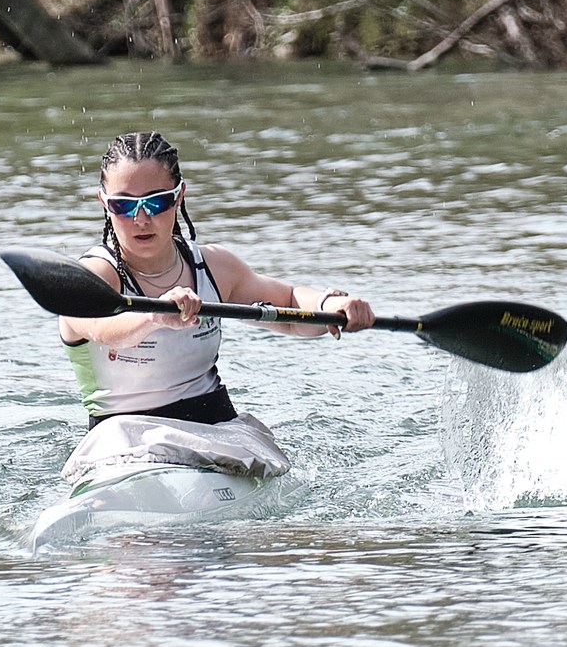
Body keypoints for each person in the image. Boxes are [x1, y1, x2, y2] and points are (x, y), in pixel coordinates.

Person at [53, 131, 375, 478]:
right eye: (124, 204)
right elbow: (105, 330)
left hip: (217, 429)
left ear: (179, 197)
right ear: (104, 202)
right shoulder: (91, 278)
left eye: (156, 202)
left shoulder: (214, 267)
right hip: (122, 441)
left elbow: (290, 306)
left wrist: (333, 304)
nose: (141, 219)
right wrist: (157, 316)